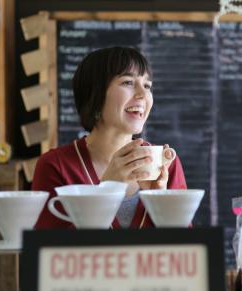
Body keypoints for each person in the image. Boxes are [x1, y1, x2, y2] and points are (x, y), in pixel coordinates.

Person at [32, 47, 186, 229]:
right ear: (94, 95)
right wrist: (106, 189)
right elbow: (48, 252)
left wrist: (160, 205)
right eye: (128, 82)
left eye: (147, 86)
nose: (143, 95)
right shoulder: (55, 166)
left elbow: (190, 251)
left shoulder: (167, 164)